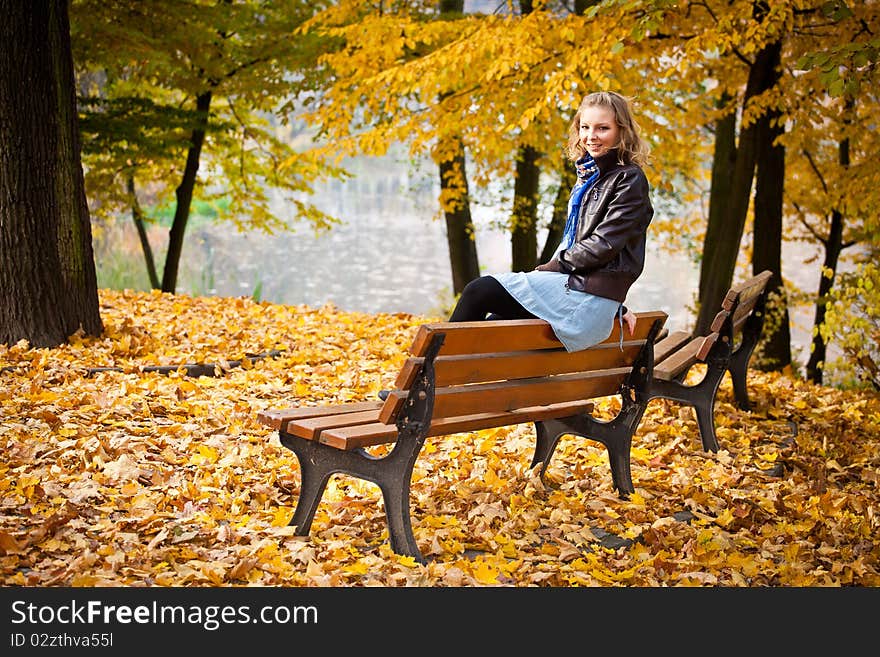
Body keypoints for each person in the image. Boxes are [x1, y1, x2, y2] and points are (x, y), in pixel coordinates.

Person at [447, 90, 653, 350]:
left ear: (621, 131)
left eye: (603, 128)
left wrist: (554, 266)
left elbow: (604, 245)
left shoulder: (628, 180)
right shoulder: (590, 179)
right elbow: (582, 244)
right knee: (499, 321)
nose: (591, 136)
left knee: (479, 290)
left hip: (587, 297)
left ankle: (425, 380)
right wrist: (617, 305)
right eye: (585, 127)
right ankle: (445, 380)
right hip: (583, 291)